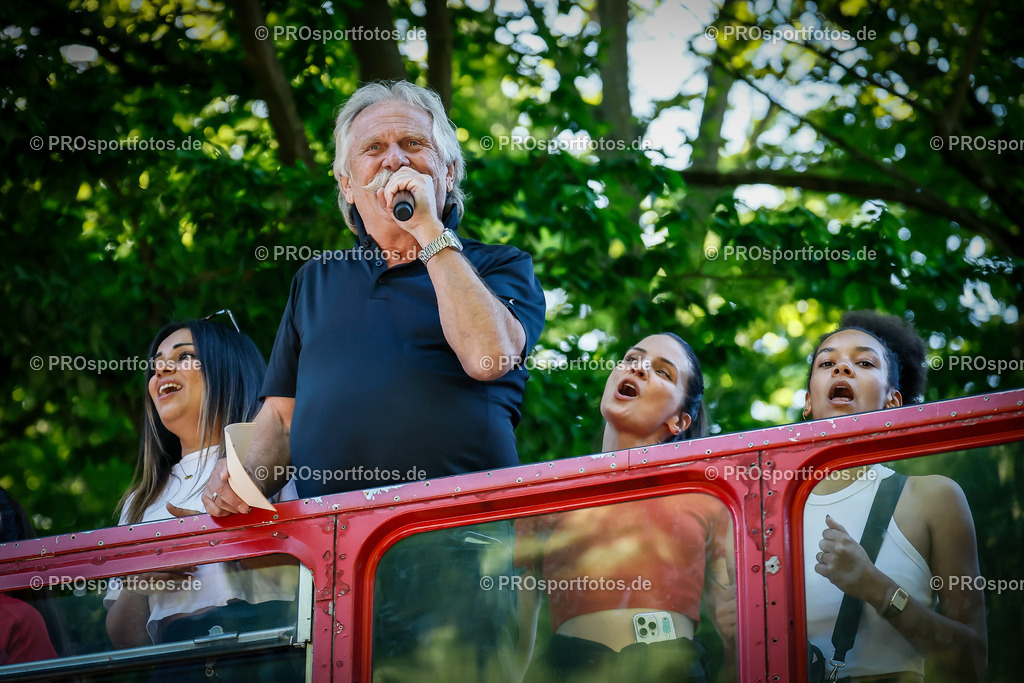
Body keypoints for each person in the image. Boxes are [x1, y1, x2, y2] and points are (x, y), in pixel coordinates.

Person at [193, 80, 545, 512]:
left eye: (413, 143)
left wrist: (428, 230)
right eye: (373, 148)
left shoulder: (499, 266)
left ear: (449, 171)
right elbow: (283, 421)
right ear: (347, 184)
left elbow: (488, 356)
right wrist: (242, 479)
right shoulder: (315, 279)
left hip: (458, 527)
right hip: (329, 535)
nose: (395, 159)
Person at [516, 333, 736, 682]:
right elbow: (516, 633)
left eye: (663, 372)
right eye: (632, 359)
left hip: (673, 672)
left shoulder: (708, 495)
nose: (639, 369)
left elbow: (735, 631)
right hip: (569, 673)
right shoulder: (547, 493)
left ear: (680, 421)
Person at [104, 319, 300, 680]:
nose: (161, 369)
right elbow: (125, 641)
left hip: (269, 652)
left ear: (230, 370)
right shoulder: (140, 500)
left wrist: (227, 535)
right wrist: (137, 585)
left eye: (184, 357)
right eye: (156, 364)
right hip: (176, 667)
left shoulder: (276, 463)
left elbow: (319, 569)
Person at [803, 310, 987, 681]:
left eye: (864, 362)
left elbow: (973, 664)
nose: (842, 368)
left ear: (893, 401)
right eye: (827, 363)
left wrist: (875, 586)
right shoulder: (768, 514)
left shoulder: (934, 498)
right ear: (808, 402)